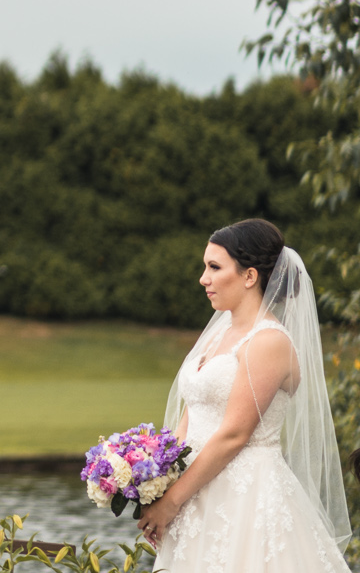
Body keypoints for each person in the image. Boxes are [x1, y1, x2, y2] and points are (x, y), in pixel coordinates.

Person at [139, 219, 351, 570]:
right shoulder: (215, 335)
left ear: (249, 276)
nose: (203, 278)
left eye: (214, 267)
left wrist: (172, 501)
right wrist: (156, 480)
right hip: (196, 492)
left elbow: (235, 434)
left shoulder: (269, 341)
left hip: (246, 498)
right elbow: (190, 416)